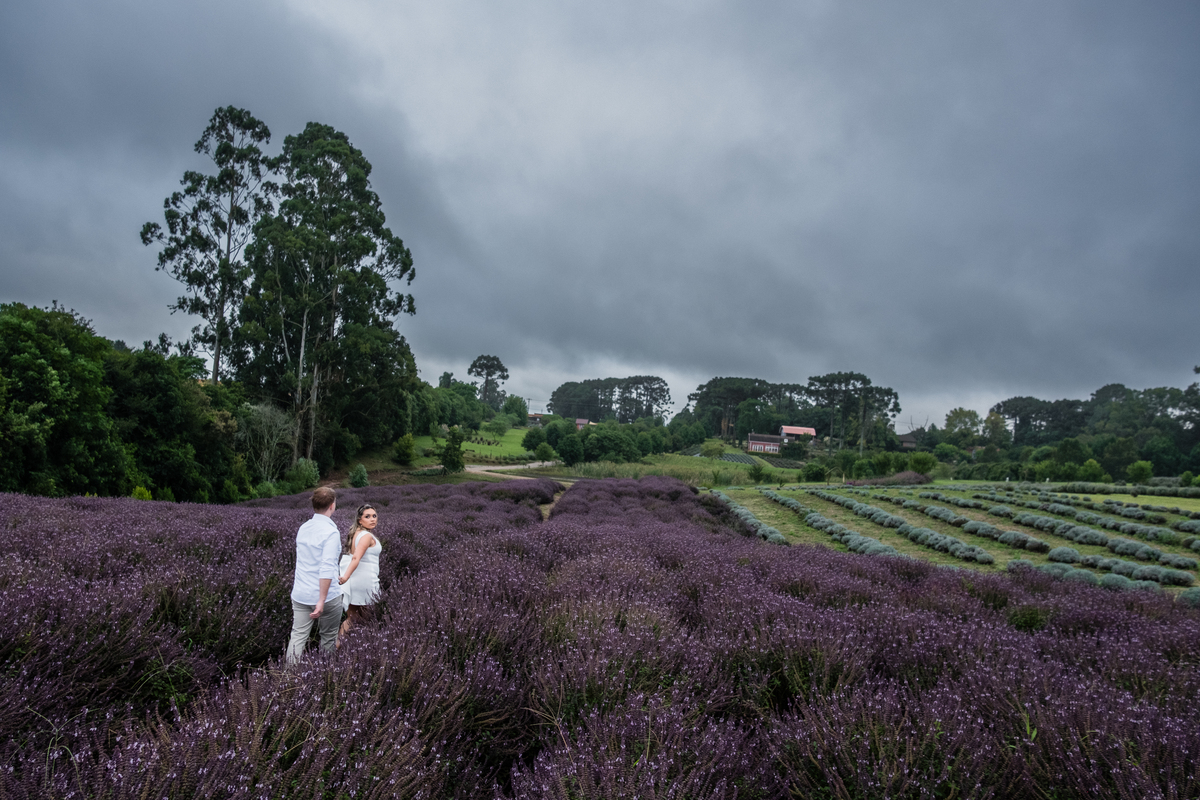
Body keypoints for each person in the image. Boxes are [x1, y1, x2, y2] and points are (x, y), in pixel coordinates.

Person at [286, 486, 344, 664]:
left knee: (297, 637)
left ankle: (287, 681)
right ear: (332, 505)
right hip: (326, 597)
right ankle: (324, 678)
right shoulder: (331, 532)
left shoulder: (304, 528)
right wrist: (321, 599)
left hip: (301, 594)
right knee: (327, 638)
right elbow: (326, 567)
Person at [338, 503, 382, 641]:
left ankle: (335, 650)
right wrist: (345, 577)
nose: (372, 519)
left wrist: (347, 578)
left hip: (355, 582)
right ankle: (363, 648)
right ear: (359, 520)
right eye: (367, 516)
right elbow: (356, 557)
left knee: (351, 619)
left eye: (374, 516)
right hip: (365, 583)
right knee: (367, 619)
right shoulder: (366, 536)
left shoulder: (356, 533)